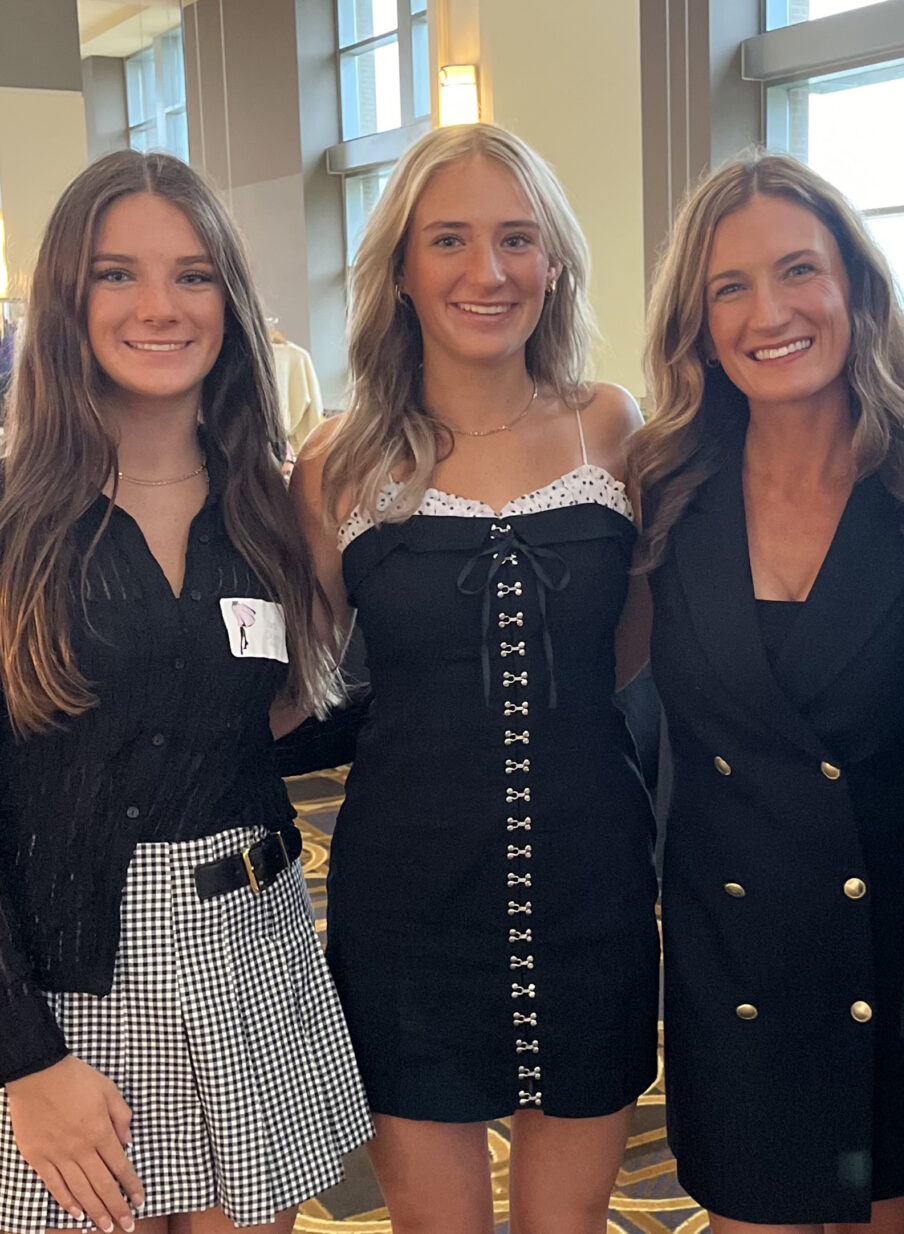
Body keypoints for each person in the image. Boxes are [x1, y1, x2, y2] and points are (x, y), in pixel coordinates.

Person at [291, 122, 660, 1234]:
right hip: (403, 896)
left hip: (592, 878)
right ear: (401, 270)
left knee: (568, 1221)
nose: (486, 271)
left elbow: (627, 650)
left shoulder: (613, 428)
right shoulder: (337, 462)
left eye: (516, 239)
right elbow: (301, 679)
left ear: (554, 264)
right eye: (448, 239)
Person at [0, 150, 372, 1234]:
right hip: (66, 980)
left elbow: (280, 719)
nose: (159, 306)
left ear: (230, 302)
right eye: (117, 274)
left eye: (193, 275)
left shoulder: (276, 511)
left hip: (251, 952)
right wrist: (24, 1058)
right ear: (66, 301)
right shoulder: (15, 527)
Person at [630, 150, 904, 1232]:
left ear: (854, 284)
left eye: (798, 270)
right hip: (737, 963)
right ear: (699, 324)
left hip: (901, 963)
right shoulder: (661, 489)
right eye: (730, 287)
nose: (769, 313)